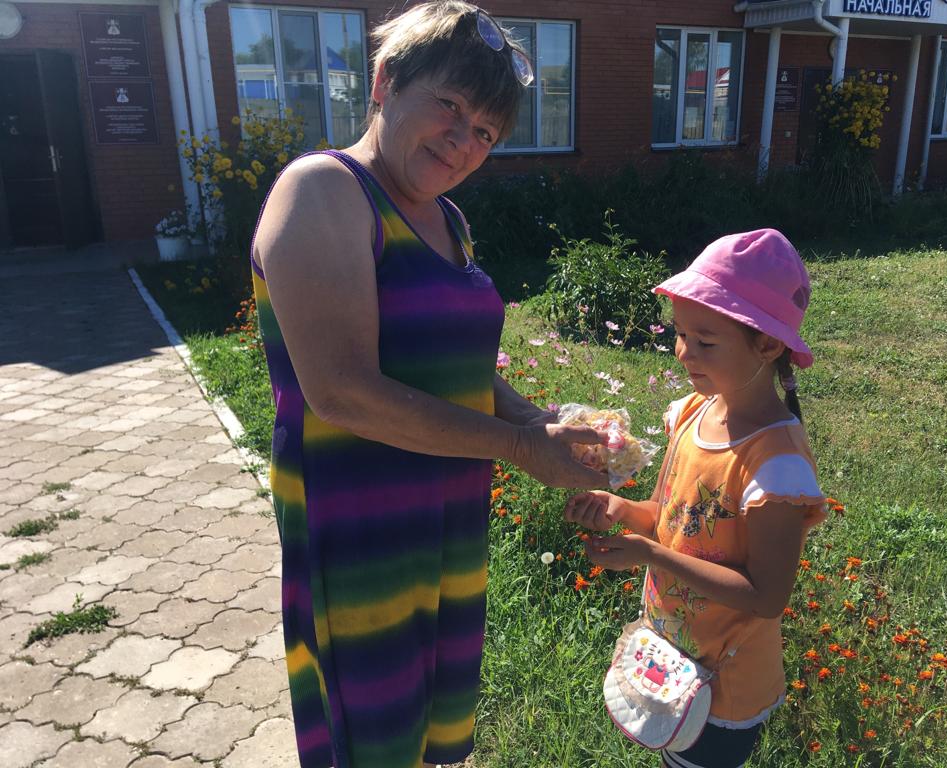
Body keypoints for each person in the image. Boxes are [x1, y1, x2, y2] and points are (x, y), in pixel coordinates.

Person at [249, 3, 606, 767]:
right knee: (371, 743)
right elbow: (341, 390)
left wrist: (536, 421)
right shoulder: (325, 191)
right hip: (363, 537)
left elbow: (460, 370)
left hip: (446, 530)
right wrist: (518, 448)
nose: (462, 140)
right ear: (385, 81)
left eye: (485, 132)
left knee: (423, 741)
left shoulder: (448, 220)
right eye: (449, 105)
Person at [564, 229, 827, 768]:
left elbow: (765, 596)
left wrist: (651, 555)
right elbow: (668, 518)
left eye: (706, 341)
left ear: (767, 345)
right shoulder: (692, 414)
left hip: (726, 689)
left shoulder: (775, 466)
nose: (684, 352)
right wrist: (621, 512)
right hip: (672, 656)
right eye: (681, 334)